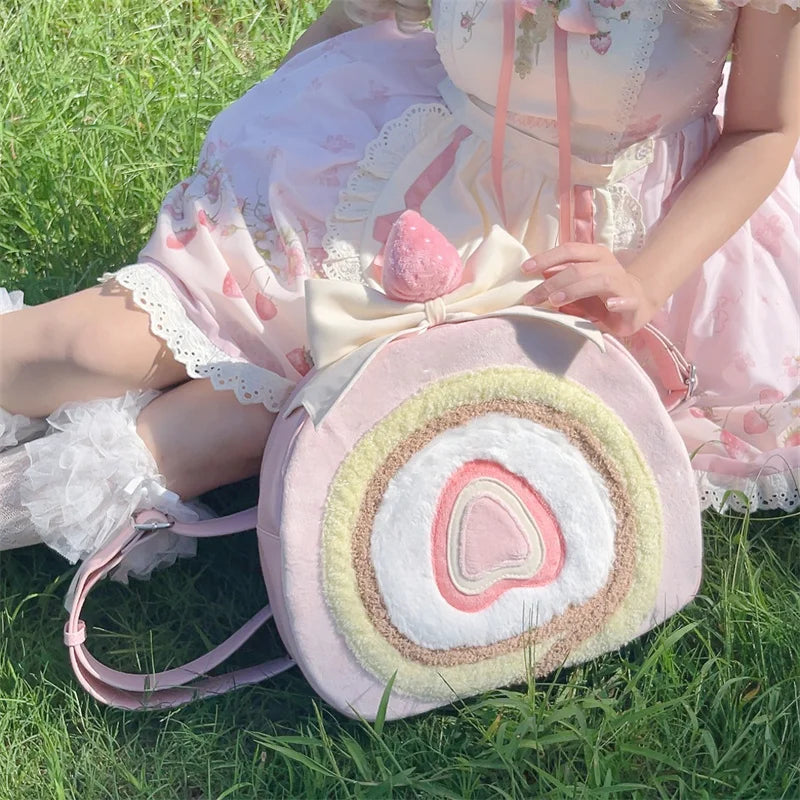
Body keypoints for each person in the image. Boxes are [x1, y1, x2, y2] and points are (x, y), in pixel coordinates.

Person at [0, 0, 798, 577]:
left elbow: (764, 130)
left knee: (208, 439)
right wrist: (268, 136)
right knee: (89, 347)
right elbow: (361, 14)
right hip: (395, 177)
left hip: (599, 249)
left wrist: (645, 281)